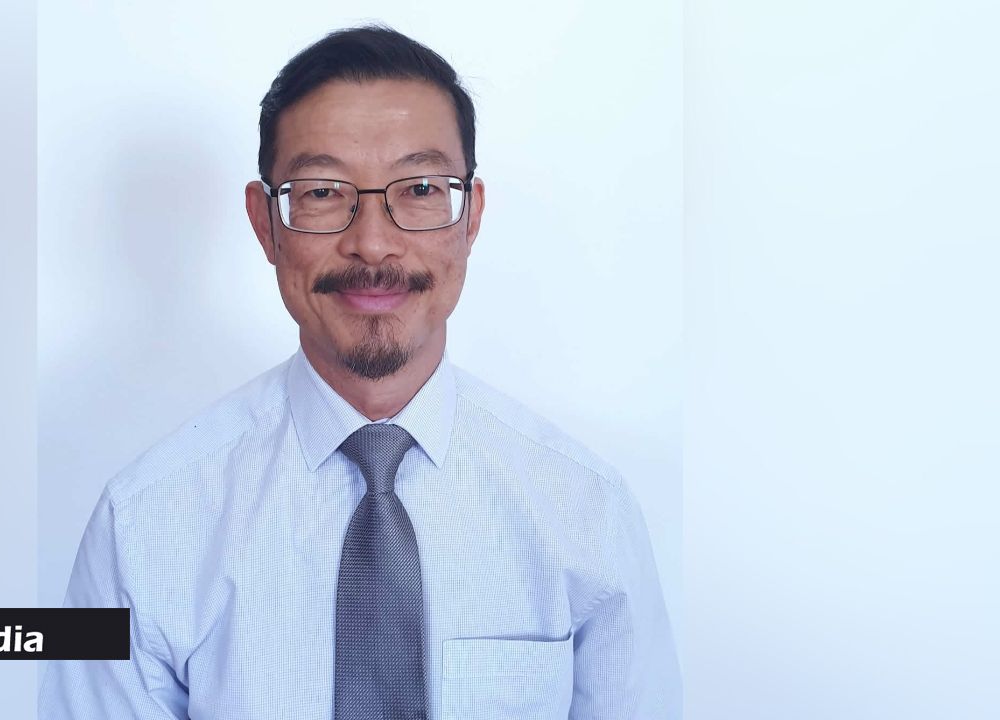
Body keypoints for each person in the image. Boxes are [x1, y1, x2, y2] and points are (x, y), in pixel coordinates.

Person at [40, 25, 681, 720]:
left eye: (421, 189)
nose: (373, 244)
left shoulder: (586, 510)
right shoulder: (144, 522)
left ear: (470, 218)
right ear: (265, 223)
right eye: (322, 192)